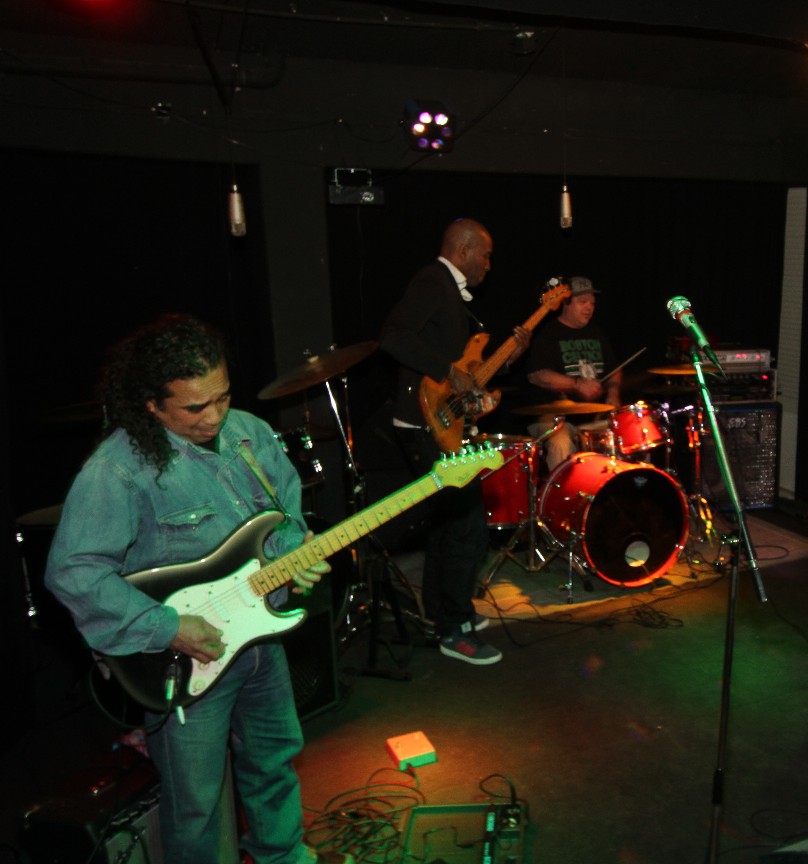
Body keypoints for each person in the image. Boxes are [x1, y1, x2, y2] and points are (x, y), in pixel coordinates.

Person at [44, 313, 344, 864]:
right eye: (194, 408)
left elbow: (285, 516)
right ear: (151, 405)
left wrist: (292, 555)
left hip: (261, 638)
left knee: (274, 763)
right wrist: (168, 627)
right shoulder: (118, 470)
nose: (214, 417)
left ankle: (283, 854)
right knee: (197, 805)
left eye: (223, 397)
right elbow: (75, 572)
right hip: (186, 658)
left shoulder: (250, 433)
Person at [379, 217, 527, 666]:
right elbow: (393, 337)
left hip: (440, 422)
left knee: (448, 526)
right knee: (467, 526)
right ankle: (454, 628)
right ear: (463, 251)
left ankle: (441, 613)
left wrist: (502, 362)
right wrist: (446, 370)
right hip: (424, 424)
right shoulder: (432, 281)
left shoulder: (450, 292)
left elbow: (464, 368)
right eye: (485, 255)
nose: (488, 265)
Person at [523, 275, 622, 471]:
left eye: (592, 303)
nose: (589, 308)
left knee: (623, 435)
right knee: (560, 443)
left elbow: (615, 369)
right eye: (583, 302)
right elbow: (537, 375)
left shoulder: (596, 332)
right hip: (555, 418)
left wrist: (613, 394)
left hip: (593, 416)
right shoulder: (548, 334)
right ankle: (562, 490)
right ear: (565, 303)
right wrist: (576, 384)